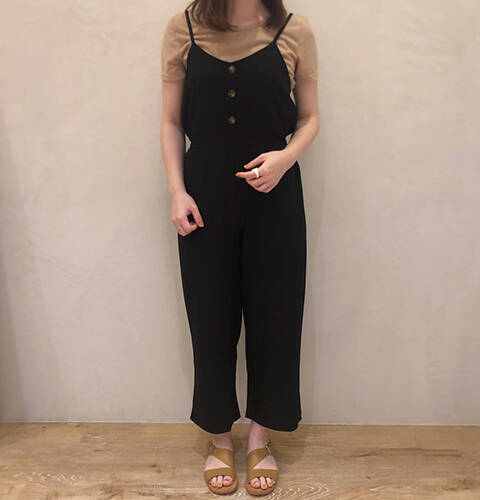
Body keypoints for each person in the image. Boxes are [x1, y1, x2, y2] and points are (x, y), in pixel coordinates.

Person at [160, 0, 319, 495]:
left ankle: (260, 440)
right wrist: (177, 191)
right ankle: (218, 438)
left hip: (275, 196)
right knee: (210, 318)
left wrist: (285, 159)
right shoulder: (183, 29)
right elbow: (170, 121)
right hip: (203, 197)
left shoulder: (294, 30)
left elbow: (310, 118)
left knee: (276, 318)